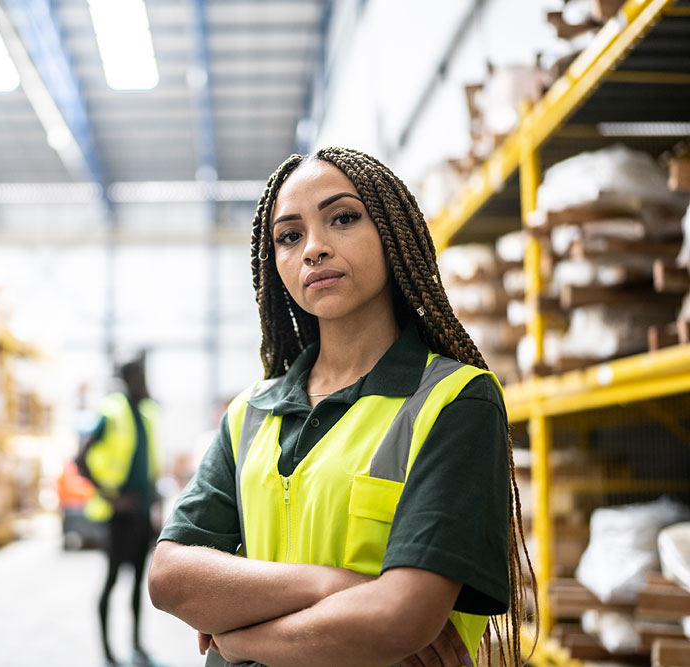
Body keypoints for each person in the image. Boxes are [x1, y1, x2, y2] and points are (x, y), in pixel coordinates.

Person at [147, 147, 534, 667]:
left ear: (393, 233)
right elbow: (170, 577)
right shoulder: (249, 414)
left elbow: (401, 617)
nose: (314, 249)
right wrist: (336, 585)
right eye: (290, 235)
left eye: (343, 218)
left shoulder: (456, 400)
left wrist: (237, 639)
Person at [78, 353, 163, 667]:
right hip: (119, 517)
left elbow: (151, 465)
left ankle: (137, 645)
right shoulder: (111, 412)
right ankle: (107, 651)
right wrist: (110, 497)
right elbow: (81, 458)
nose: (146, 383)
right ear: (128, 380)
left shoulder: (148, 413)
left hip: (142, 515)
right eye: (140, 377)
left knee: (139, 584)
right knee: (112, 581)